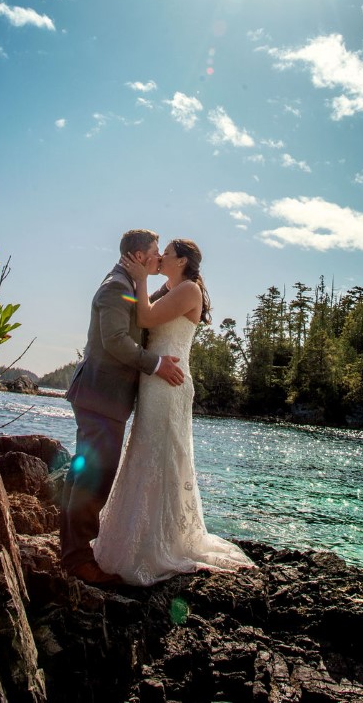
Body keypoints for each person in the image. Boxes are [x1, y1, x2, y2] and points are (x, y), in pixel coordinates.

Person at [93, 238, 255, 585]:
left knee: (164, 454)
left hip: (169, 381)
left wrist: (139, 278)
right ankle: (136, 534)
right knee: (145, 452)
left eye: (166, 254)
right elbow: (138, 319)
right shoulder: (170, 286)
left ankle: (162, 541)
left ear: (181, 261)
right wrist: (141, 280)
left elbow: (146, 316)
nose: (160, 257)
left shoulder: (189, 291)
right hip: (155, 378)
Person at [60, 229, 185, 585]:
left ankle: (72, 553)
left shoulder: (130, 283)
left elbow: (146, 310)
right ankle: (78, 560)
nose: (159, 257)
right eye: (155, 252)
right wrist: (157, 364)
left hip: (101, 398)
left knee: (83, 474)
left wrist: (169, 283)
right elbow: (115, 340)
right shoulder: (116, 286)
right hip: (100, 396)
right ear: (139, 255)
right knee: (94, 477)